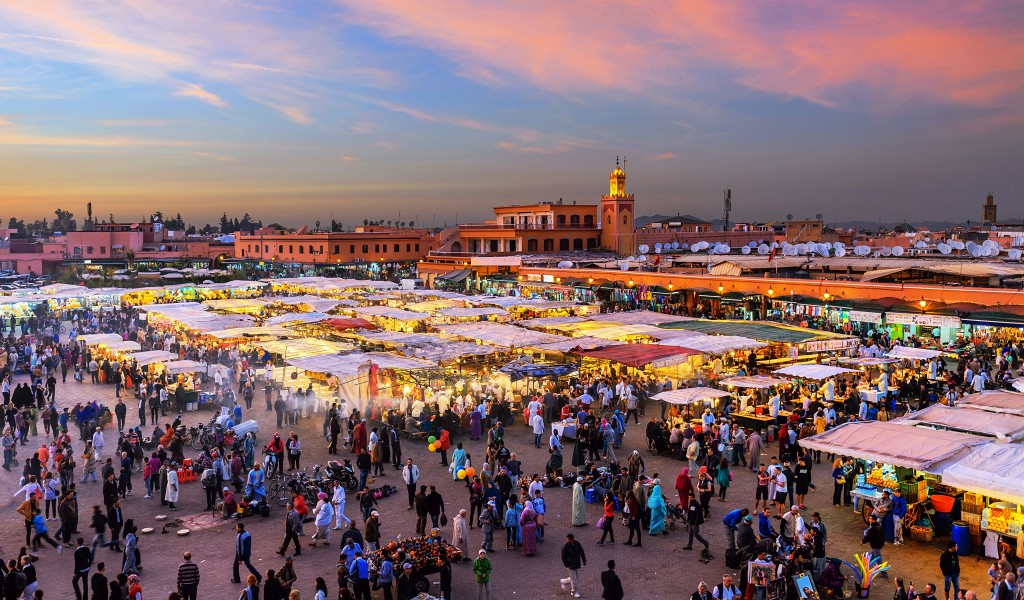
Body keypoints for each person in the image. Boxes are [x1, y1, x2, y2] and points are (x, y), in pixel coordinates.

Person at [561, 534, 586, 599]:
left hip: (576, 563)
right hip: (570, 565)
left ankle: (564, 581)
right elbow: (563, 556)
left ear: (572, 539)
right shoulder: (565, 546)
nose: (567, 540)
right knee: (574, 579)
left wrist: (584, 560)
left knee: (575, 578)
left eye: (568, 539)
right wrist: (567, 565)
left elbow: (581, 552)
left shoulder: (577, 544)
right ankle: (574, 592)